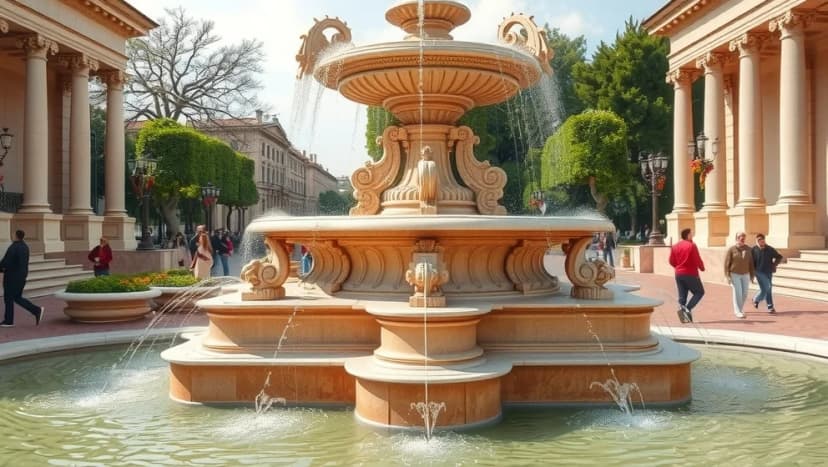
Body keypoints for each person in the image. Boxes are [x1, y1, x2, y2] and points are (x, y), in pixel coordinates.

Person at [0, 230, 45, 328]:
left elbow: (6, 261)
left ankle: (8, 321)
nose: (12, 236)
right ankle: (36, 310)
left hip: (12, 277)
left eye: (13, 234)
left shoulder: (13, 247)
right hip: (22, 276)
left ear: (16, 236)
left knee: (8, 298)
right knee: (17, 297)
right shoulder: (25, 247)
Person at [668, 228, 705, 323]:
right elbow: (697, 259)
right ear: (687, 235)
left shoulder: (675, 246)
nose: (692, 236)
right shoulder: (692, 246)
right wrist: (702, 267)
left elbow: (671, 261)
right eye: (691, 234)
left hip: (679, 274)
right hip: (691, 273)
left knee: (682, 295)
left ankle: (683, 314)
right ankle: (688, 308)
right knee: (699, 292)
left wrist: (678, 267)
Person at [724, 231, 755, 319]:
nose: (741, 239)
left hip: (746, 274)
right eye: (740, 237)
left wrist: (752, 275)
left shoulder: (748, 249)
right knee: (738, 292)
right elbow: (727, 263)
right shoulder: (732, 249)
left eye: (743, 237)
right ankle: (738, 311)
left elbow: (751, 263)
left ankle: (740, 309)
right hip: (734, 274)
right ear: (736, 239)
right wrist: (727, 276)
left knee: (744, 293)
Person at [752, 233, 784, 314]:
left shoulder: (769, 249)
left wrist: (774, 264)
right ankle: (770, 306)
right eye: (758, 240)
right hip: (758, 272)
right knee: (768, 287)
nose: (760, 241)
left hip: (768, 272)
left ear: (764, 240)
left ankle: (756, 299)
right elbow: (750, 261)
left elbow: (779, 256)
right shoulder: (754, 250)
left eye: (762, 240)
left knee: (764, 289)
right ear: (756, 241)